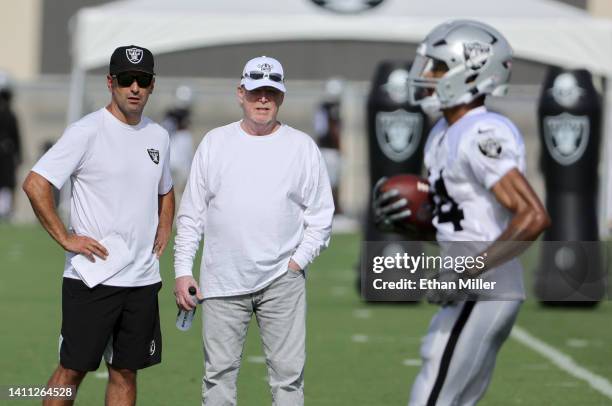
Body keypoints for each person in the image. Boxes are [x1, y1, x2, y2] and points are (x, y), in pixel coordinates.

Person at [373, 20, 550, 405]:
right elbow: (463, 222)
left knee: (432, 396)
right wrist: (412, 225)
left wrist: (466, 270)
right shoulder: (443, 132)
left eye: (436, 67)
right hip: (471, 283)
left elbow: (532, 216)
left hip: (484, 285)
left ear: (469, 72)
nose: (426, 76)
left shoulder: (481, 132)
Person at [173, 55, 334, 406]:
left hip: (282, 282)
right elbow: (191, 215)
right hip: (221, 281)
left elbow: (321, 216)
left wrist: (297, 263)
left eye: (271, 93)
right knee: (217, 378)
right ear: (240, 93)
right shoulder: (215, 143)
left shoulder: (302, 147)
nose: (263, 99)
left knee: (288, 381)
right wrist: (183, 270)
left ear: (282, 98)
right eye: (256, 91)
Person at [22, 45, 174, 406]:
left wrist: (165, 225)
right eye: (126, 80)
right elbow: (36, 183)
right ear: (110, 83)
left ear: (152, 85)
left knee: (125, 371)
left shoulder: (159, 136)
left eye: (142, 80)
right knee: (71, 370)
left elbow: (165, 190)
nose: (134, 88)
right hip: (93, 278)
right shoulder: (86, 131)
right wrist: (65, 237)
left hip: (141, 279)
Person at [0, 72, 22, 221]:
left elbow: (17, 137)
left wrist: (18, 155)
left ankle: (5, 211)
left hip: (6, 156)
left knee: (7, 183)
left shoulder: (11, 115)